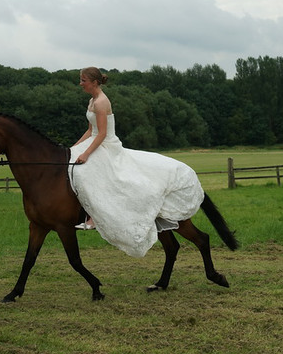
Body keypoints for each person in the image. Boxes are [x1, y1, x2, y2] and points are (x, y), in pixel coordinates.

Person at [69, 67, 204, 258]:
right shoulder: (91, 101)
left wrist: (87, 153)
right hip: (95, 141)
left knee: (88, 171)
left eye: (83, 80)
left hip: (106, 145)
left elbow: (102, 134)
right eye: (80, 80)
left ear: (94, 82)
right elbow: (90, 131)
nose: (80, 83)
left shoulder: (101, 102)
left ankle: (94, 216)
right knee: (72, 167)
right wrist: (73, 149)